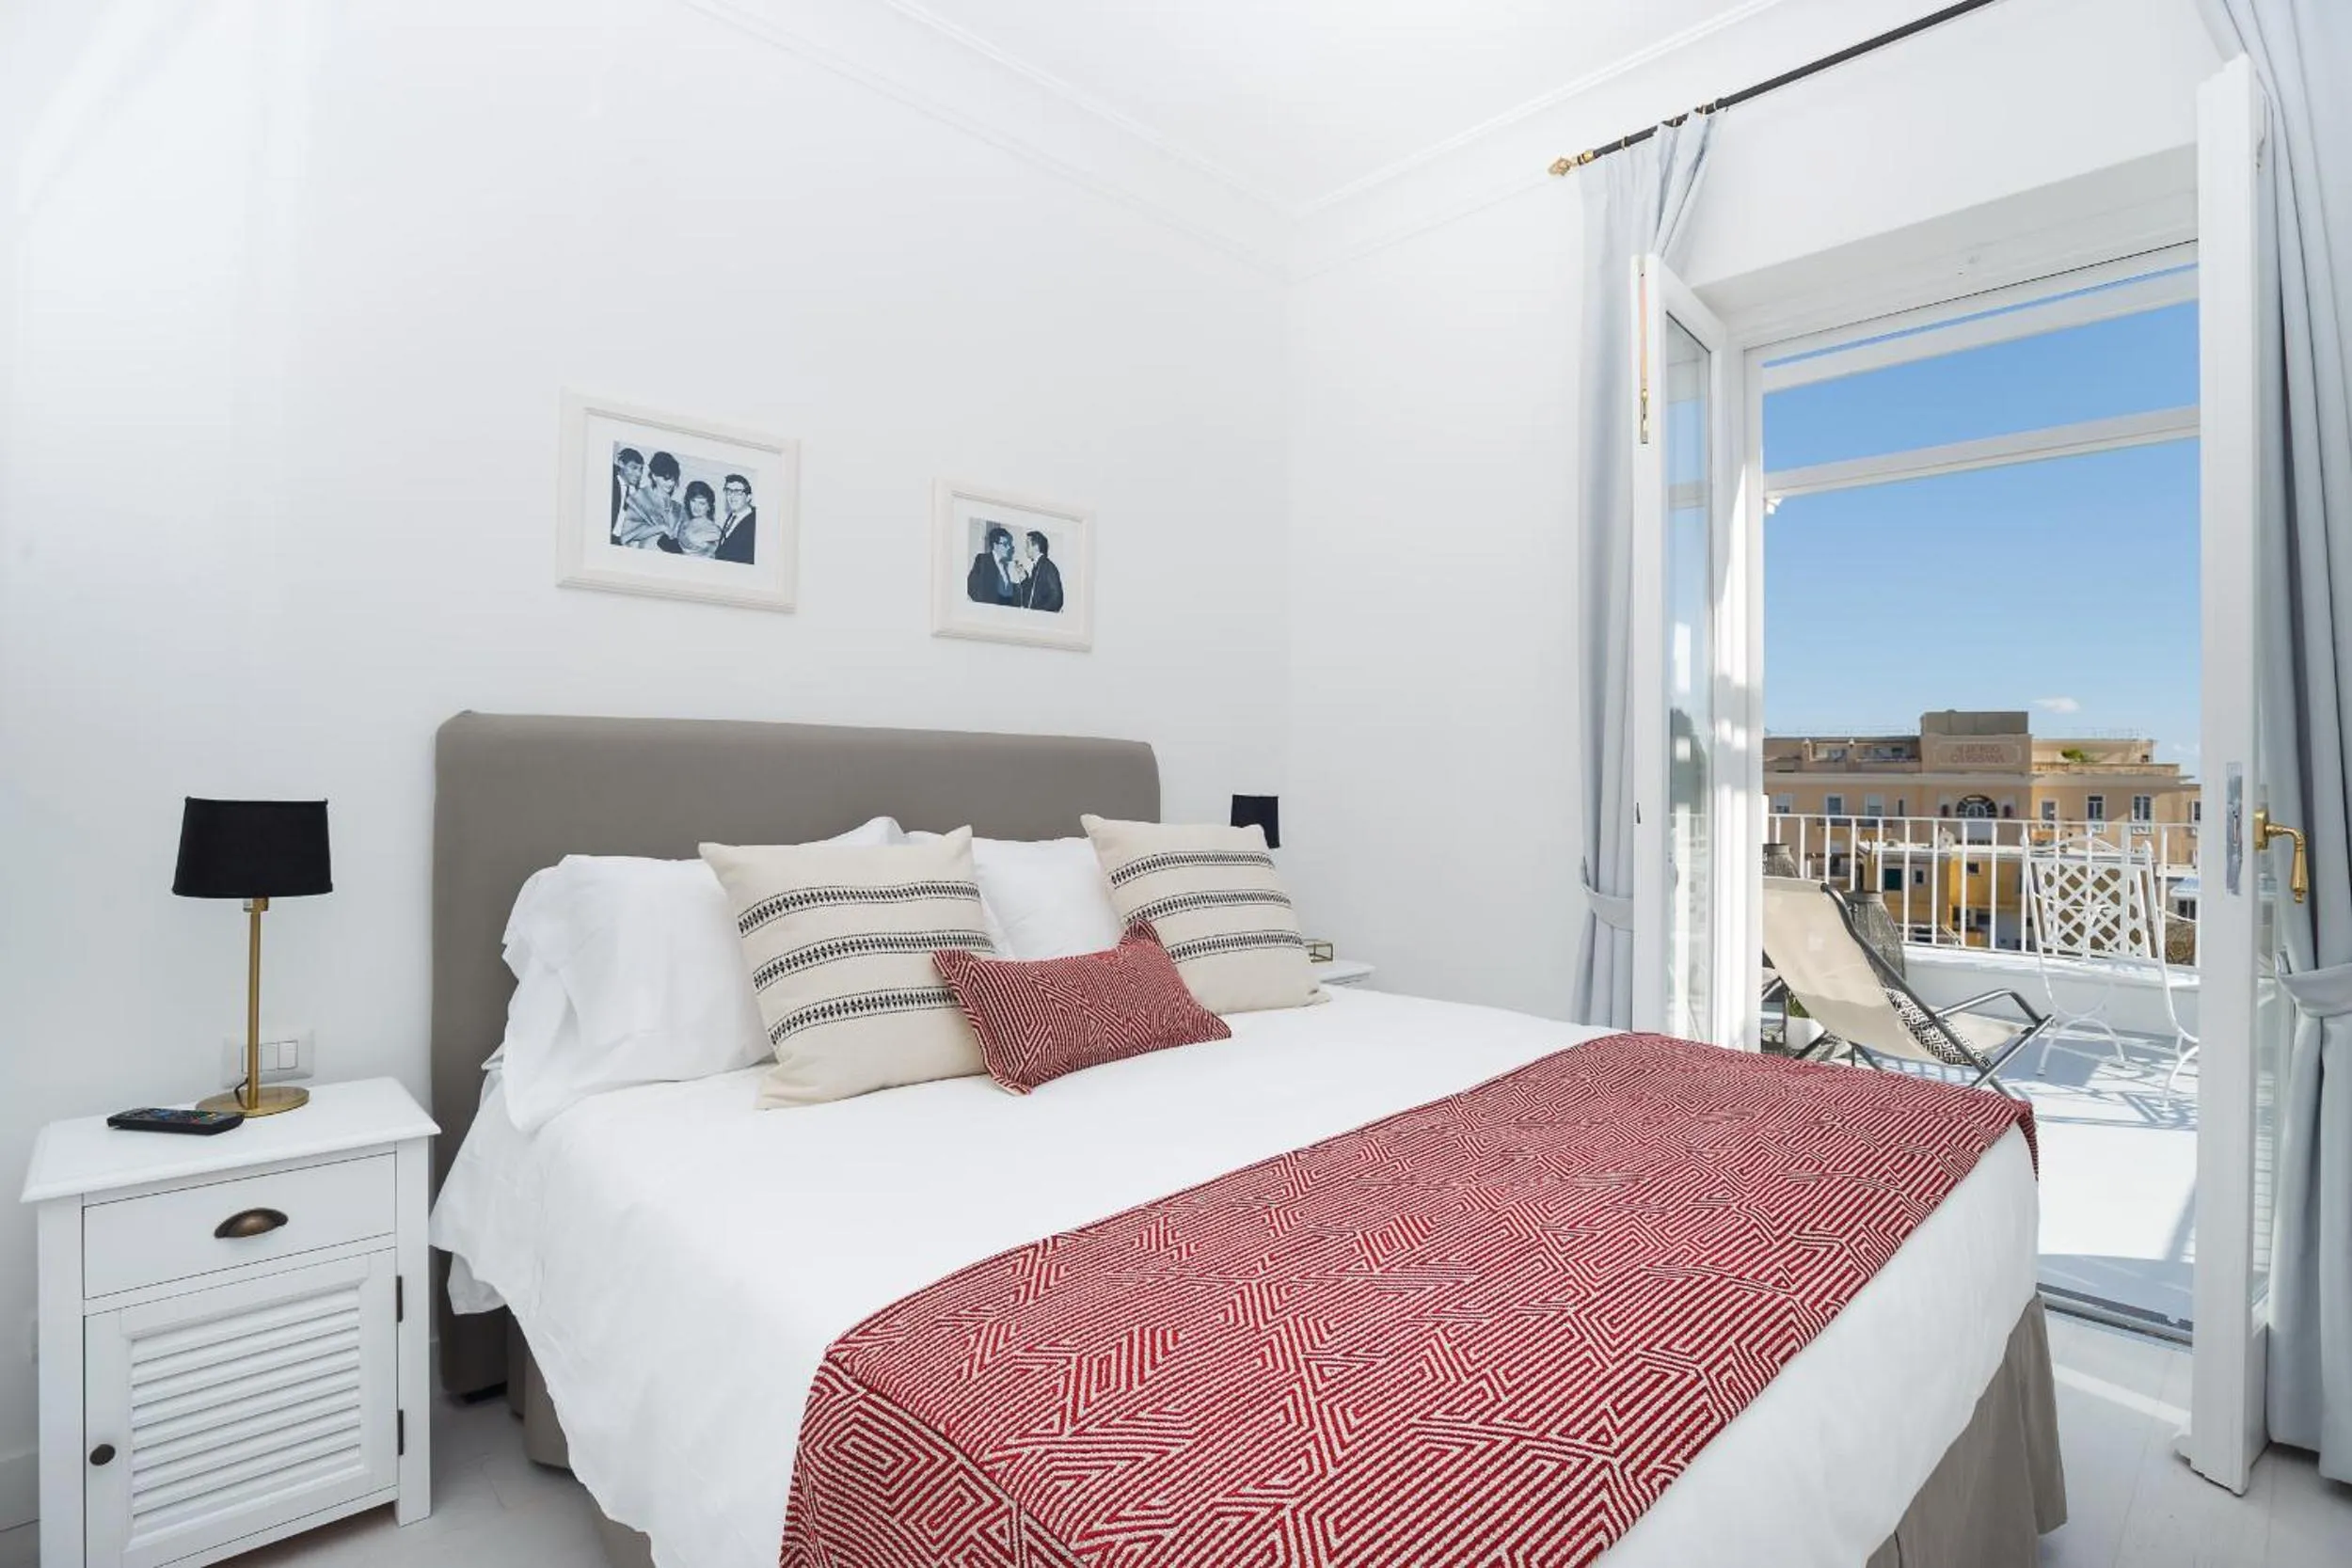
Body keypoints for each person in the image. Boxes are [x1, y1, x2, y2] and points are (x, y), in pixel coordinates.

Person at [616, 451, 684, 547]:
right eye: (666, 479)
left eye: (673, 480)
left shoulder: (677, 508)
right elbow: (627, 535)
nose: (670, 484)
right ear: (654, 476)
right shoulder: (639, 500)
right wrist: (660, 528)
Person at [966, 523, 1023, 607]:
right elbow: (971, 586)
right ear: (995, 545)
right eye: (1005, 544)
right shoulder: (983, 559)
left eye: (1009, 544)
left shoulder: (1006, 566)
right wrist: (987, 605)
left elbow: (1007, 593)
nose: (1009, 547)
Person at [661, 481, 723, 557]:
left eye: (702, 503)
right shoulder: (684, 524)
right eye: (693, 501)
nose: (696, 507)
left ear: (709, 506)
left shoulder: (714, 530)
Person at [712, 473, 757, 564]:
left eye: (737, 492)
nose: (732, 496)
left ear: (749, 497)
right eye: (729, 491)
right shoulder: (732, 516)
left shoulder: (756, 522)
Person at [1021, 530, 1064, 613]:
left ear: (1036, 547)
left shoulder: (1048, 567)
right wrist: (1024, 579)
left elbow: (1057, 599)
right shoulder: (1038, 566)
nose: (1025, 548)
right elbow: (1033, 597)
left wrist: (1038, 613)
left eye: (1027, 545)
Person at [610, 448, 645, 543]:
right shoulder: (609, 483)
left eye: (641, 469)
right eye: (634, 468)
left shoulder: (637, 494)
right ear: (621, 464)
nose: (639, 474)